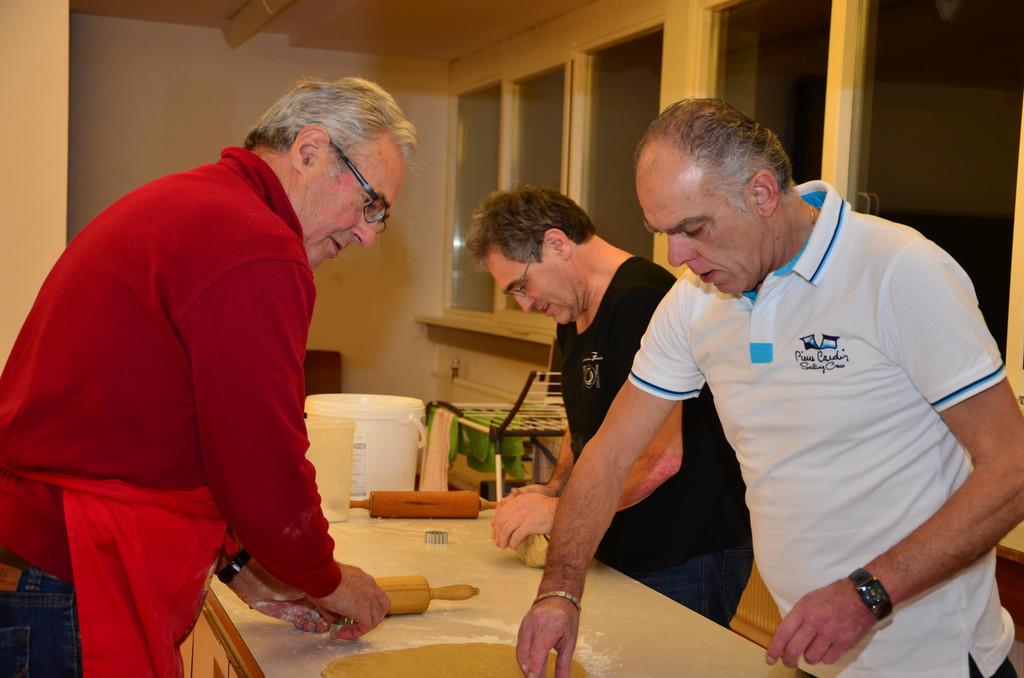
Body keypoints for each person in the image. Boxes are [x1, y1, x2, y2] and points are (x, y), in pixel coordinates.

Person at [516, 98, 1024, 678]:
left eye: (692, 229)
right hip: (812, 658)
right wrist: (560, 589)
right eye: (664, 234)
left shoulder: (897, 270)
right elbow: (608, 456)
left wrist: (867, 593)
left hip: (931, 661)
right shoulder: (693, 303)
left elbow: (1012, 467)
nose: (678, 257)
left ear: (760, 194)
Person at [0, 76, 417, 676]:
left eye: (382, 219)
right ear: (308, 152)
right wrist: (325, 579)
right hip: (74, 573)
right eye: (370, 203)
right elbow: (259, 458)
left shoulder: (198, 204)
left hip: (37, 559)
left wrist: (242, 568)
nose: (369, 235)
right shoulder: (258, 245)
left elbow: (179, 427)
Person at [465, 186, 752, 627]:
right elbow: (585, 424)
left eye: (521, 285)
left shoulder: (643, 301)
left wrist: (563, 513)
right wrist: (556, 488)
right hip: (628, 540)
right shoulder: (571, 311)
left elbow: (660, 458)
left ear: (557, 244)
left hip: (687, 549)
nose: (524, 304)